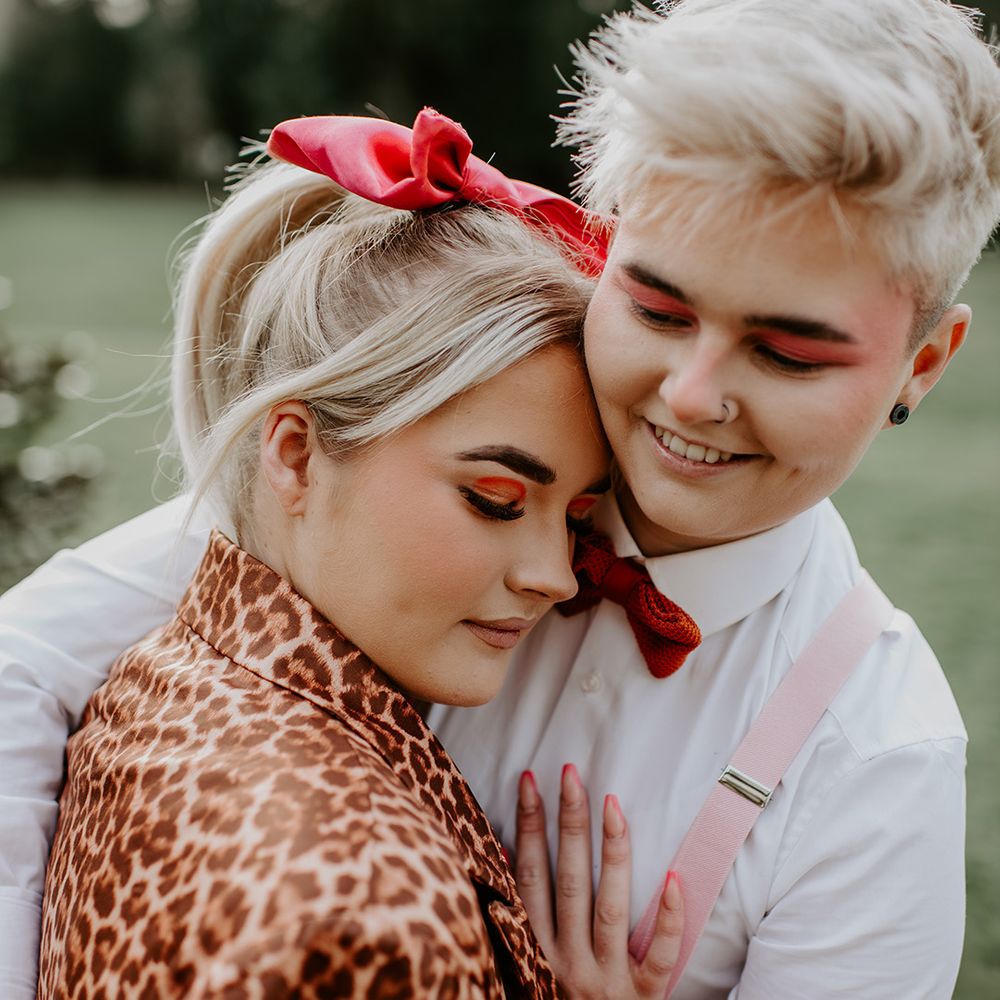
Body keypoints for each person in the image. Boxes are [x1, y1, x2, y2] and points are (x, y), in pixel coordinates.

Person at [2, 0, 998, 996]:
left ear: (922, 364)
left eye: (785, 351)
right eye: (654, 305)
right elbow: (25, 662)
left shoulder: (875, 765)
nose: (690, 394)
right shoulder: (418, 464)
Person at [32, 112, 686, 997]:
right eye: (495, 500)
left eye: (575, 520)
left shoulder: (161, 683)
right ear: (294, 453)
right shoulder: (367, 919)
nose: (557, 575)